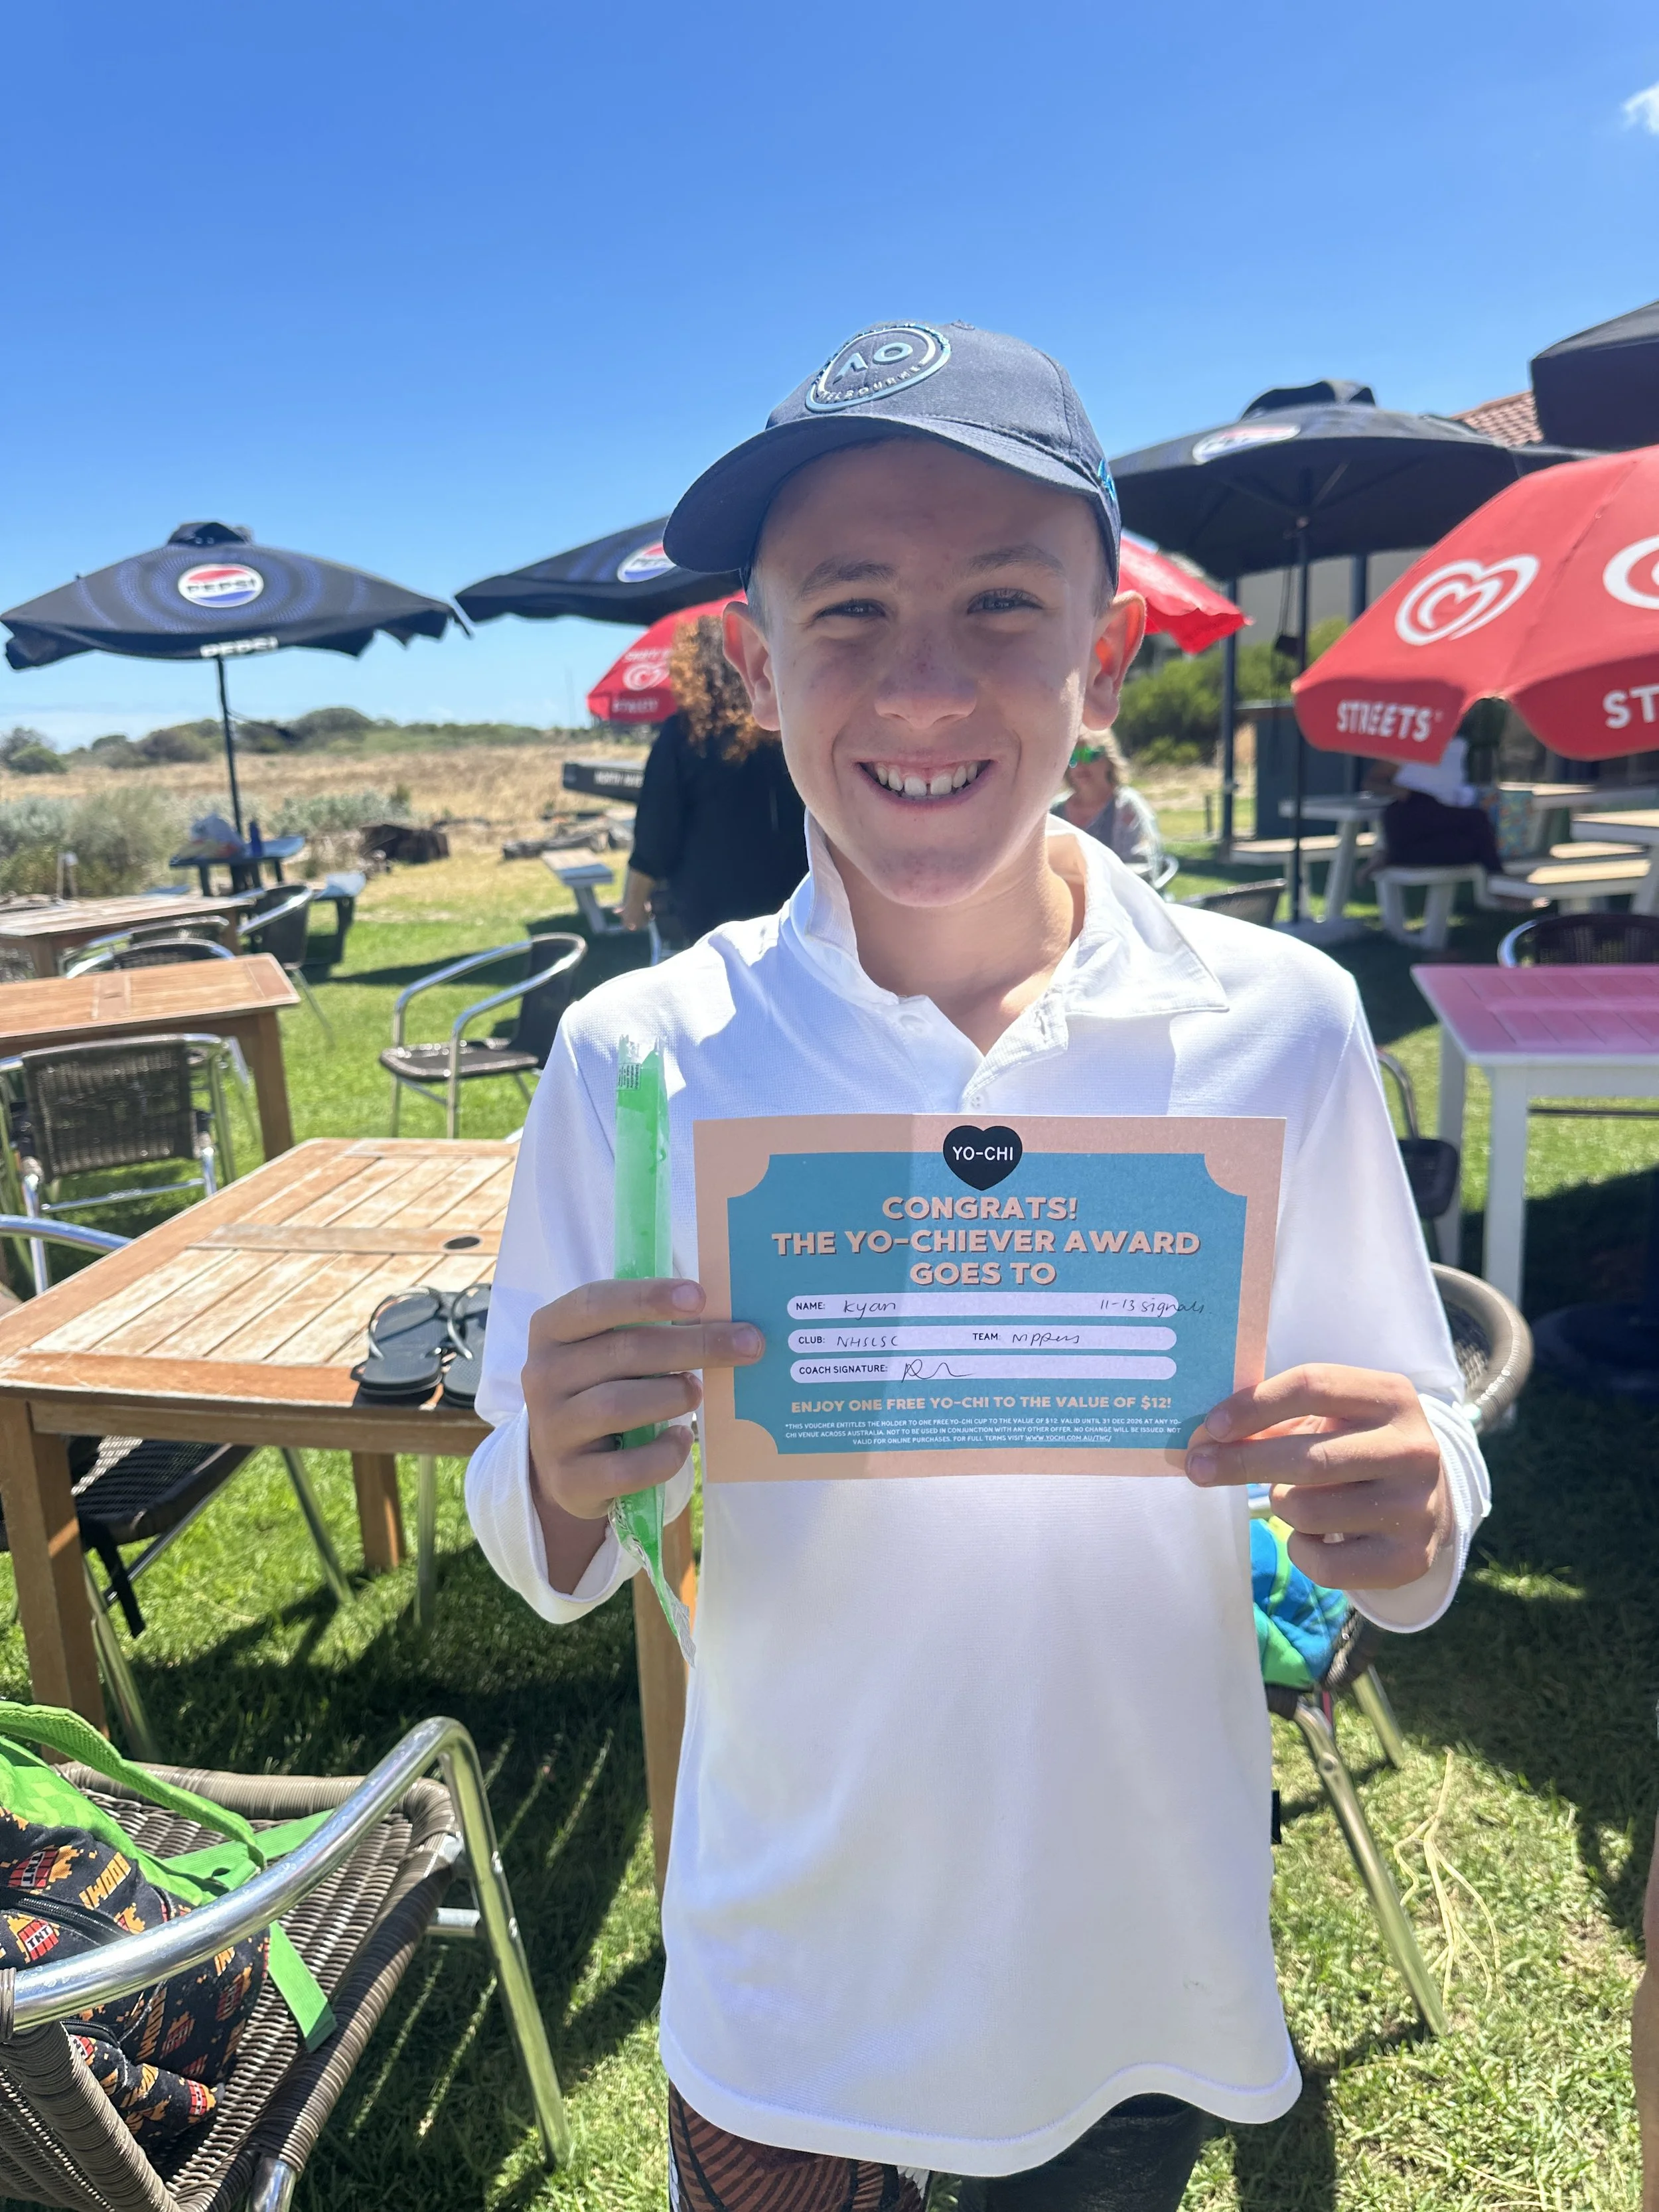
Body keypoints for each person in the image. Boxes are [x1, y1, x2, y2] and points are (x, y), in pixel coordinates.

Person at [467, 321, 1488, 2210]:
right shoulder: (639, 1061)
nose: (923, 684)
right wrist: (547, 1464)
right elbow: (541, 1549)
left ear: (1099, 654)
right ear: (753, 668)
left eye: (1003, 603)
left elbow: (1411, 1461)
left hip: (1126, 1960)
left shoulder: (1276, 1022)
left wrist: (1410, 1501)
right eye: (846, 608)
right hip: (792, 1967)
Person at [619, 611, 807, 951]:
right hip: (797, 895)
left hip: (713, 905)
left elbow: (656, 829)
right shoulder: (786, 726)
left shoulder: (684, 734)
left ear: (692, 667)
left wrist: (634, 902)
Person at [1363, 736, 1504, 875]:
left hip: (1442, 816)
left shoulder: (1457, 746)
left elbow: (1453, 788)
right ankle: (1499, 883)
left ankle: (1392, 857)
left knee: (1472, 845)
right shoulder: (1408, 743)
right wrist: (1397, 790)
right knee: (1477, 820)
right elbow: (1371, 782)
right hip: (1411, 810)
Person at [1054, 729, 1165, 881]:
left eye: (1089, 755)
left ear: (1109, 759)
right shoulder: (1054, 811)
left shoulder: (1127, 807)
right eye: (1072, 757)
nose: (1080, 765)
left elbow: (1142, 869)